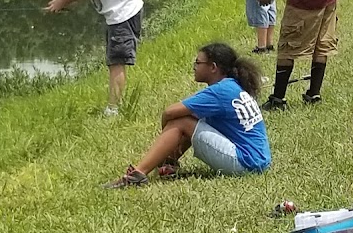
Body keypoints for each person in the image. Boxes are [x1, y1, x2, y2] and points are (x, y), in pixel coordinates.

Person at [105, 43, 271, 188]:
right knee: (194, 118)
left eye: (198, 62)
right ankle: (169, 164)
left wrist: (169, 131)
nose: (194, 66)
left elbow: (169, 112)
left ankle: (138, 175)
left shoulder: (219, 91)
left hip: (246, 163)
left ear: (213, 67)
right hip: (257, 160)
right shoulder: (231, 85)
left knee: (182, 121)